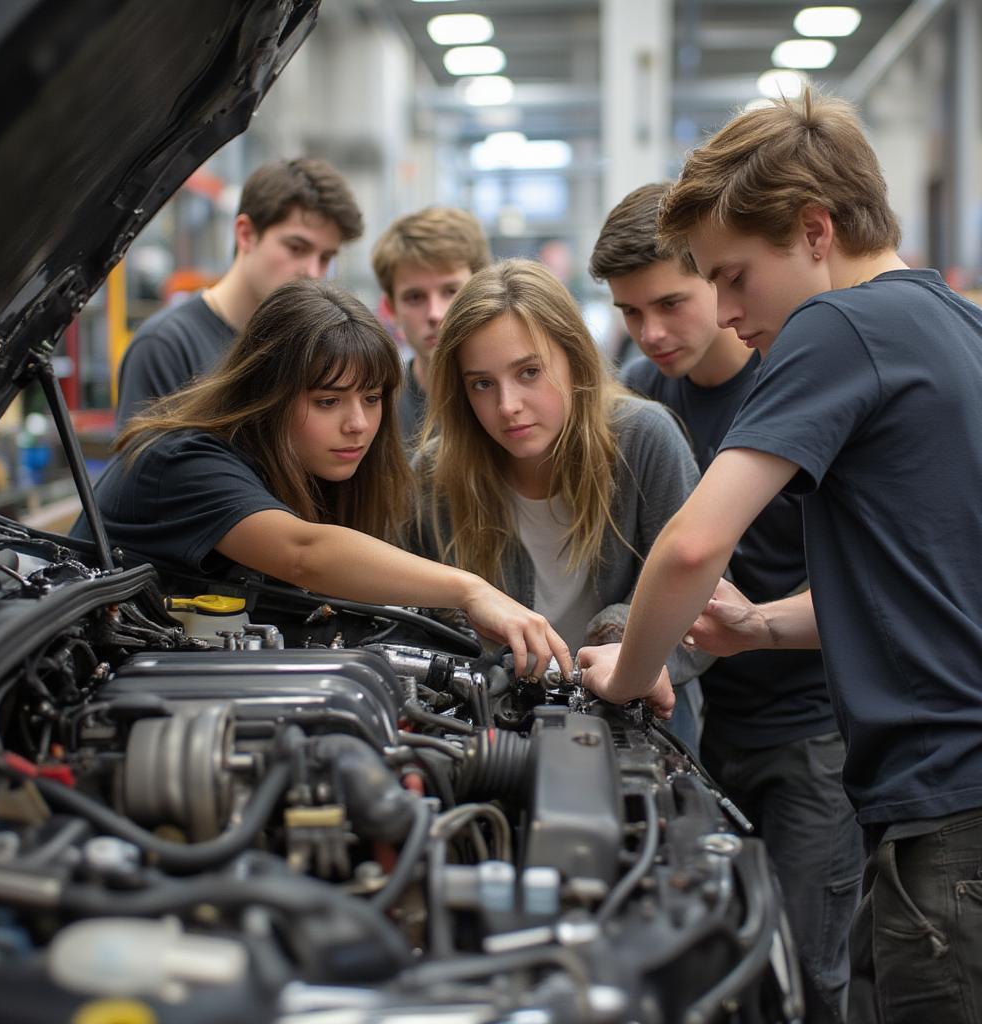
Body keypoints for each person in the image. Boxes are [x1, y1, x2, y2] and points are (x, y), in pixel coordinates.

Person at [578, 90, 982, 1024]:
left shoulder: (838, 326)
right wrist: (755, 626)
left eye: (733, 277)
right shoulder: (955, 326)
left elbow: (692, 544)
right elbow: (914, 583)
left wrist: (629, 677)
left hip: (944, 806)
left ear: (813, 230)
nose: (723, 310)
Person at [590, 181, 861, 1021]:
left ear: (716, 275)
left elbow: (852, 575)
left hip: (809, 733)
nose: (653, 333)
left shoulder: (798, 384)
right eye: (631, 314)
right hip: (697, 729)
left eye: (671, 302)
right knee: (714, 959)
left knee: (807, 969)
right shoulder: (639, 396)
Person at [76, 280, 570, 680]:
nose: (358, 423)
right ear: (268, 394)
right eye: (328, 401)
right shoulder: (182, 461)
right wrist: (471, 590)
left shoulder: (318, 467)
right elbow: (304, 554)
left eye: (372, 398)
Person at [412, 258, 709, 745]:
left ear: (573, 358)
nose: (507, 405)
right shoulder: (434, 476)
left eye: (529, 372)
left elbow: (704, 594)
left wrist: (629, 650)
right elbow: (410, 623)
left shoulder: (643, 439)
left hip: (636, 730)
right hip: (491, 736)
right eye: (482, 383)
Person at [115, 157, 363, 429]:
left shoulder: (313, 345)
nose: (313, 272)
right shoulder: (166, 346)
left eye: (326, 258)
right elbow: (142, 467)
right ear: (246, 234)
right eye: (297, 248)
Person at [371, 206, 491, 445]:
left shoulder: (514, 403)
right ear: (392, 309)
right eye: (415, 297)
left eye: (450, 291)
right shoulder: (376, 413)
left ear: (483, 291)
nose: (435, 314)